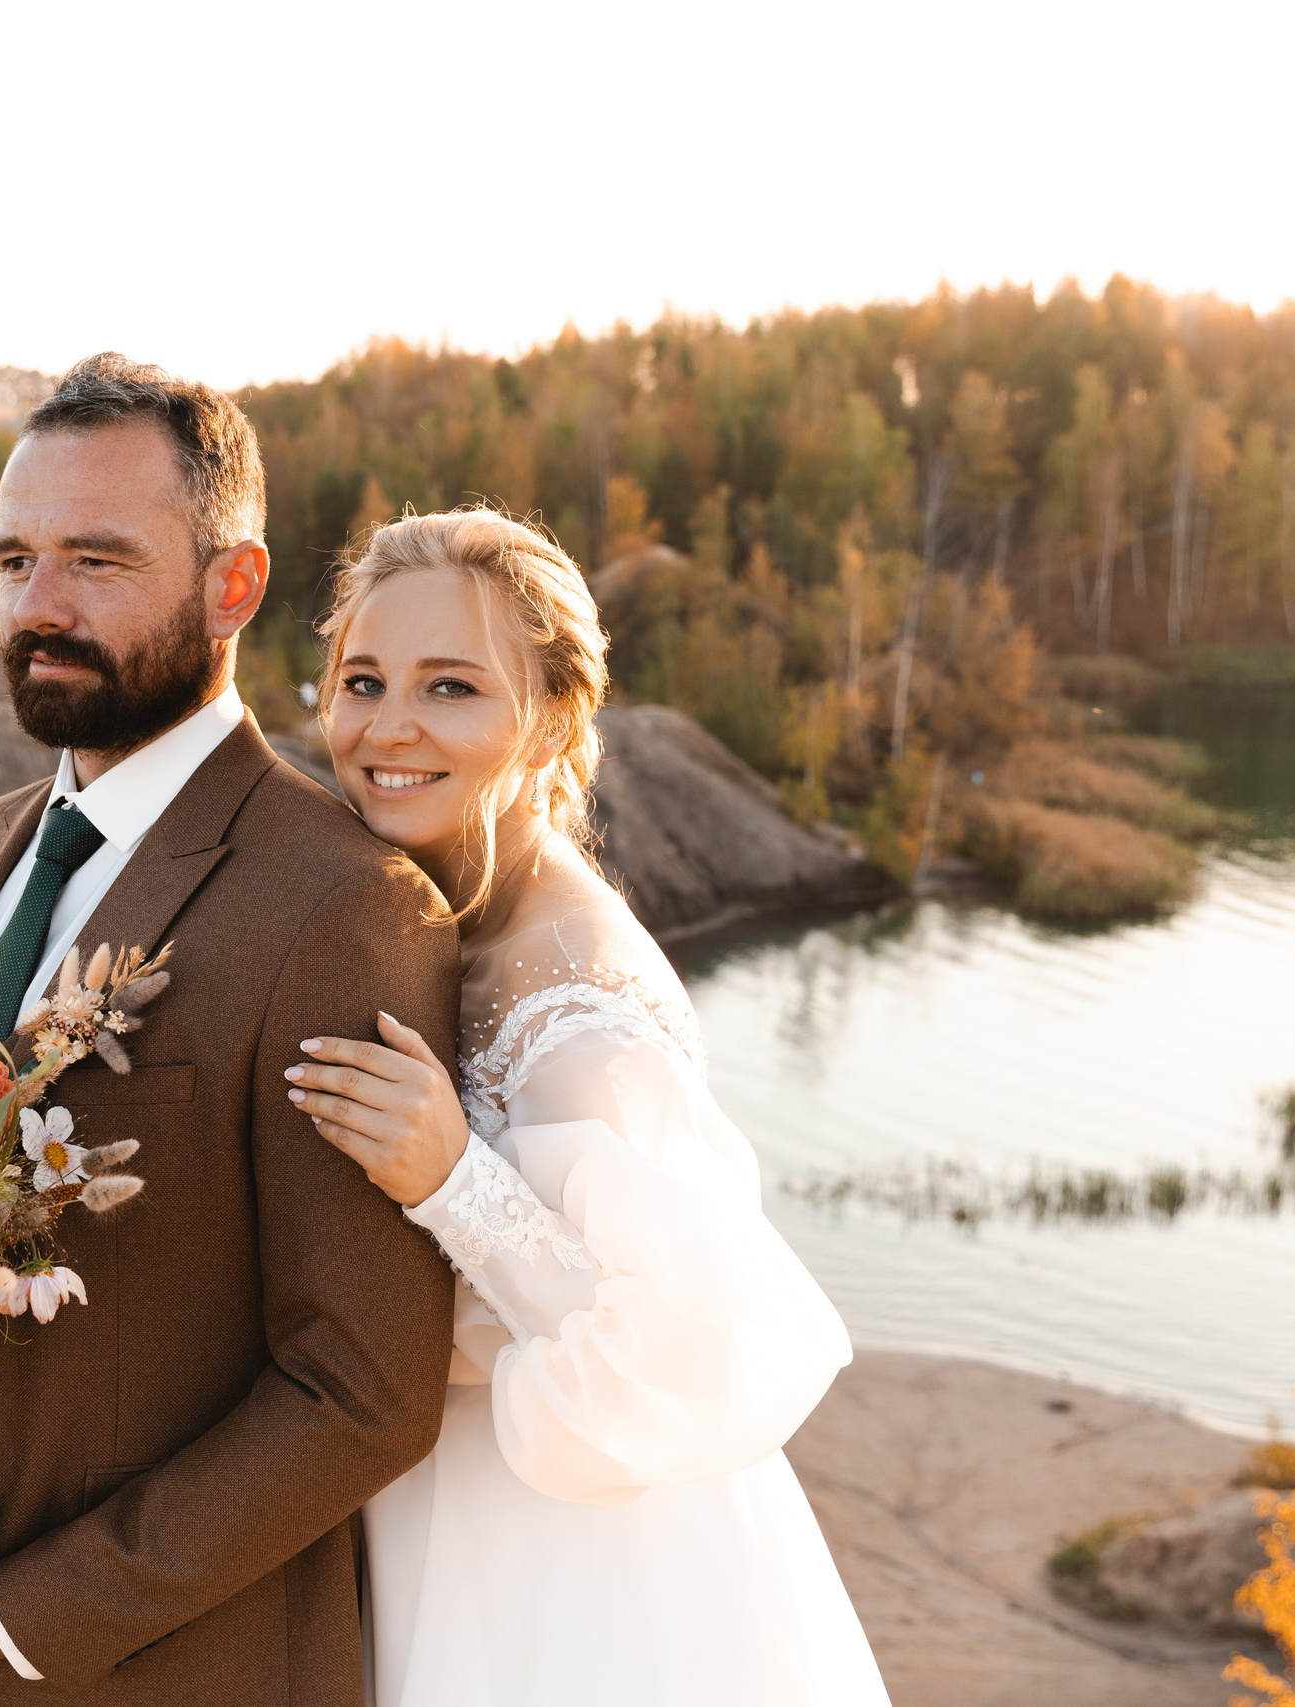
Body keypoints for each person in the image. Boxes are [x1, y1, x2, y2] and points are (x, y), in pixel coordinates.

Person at [0, 354, 461, 1704]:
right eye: (14, 560)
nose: (39, 604)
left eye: (96, 559)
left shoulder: (343, 905)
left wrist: (15, 1615)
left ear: (232, 585)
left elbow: (361, 1390)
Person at [284, 508, 892, 1705]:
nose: (387, 727)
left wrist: (455, 1185)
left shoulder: (578, 1010)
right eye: (362, 681)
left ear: (554, 718)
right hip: (426, 1514)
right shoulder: (430, 914)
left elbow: (696, 1350)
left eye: (450, 686)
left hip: (574, 1567)